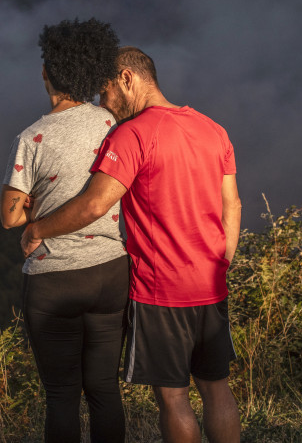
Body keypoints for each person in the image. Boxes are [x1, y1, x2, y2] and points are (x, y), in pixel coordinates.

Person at [22, 46, 242, 443]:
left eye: (105, 91)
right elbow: (233, 205)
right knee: (216, 388)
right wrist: (220, 263)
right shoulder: (213, 128)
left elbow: (93, 205)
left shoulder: (133, 134)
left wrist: (38, 230)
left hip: (161, 292)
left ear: (126, 78)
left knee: (174, 398)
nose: (104, 104)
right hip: (211, 285)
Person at [0, 18, 128, 443]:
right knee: (105, 388)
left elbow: (10, 216)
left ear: (45, 74)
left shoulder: (32, 138)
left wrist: (35, 210)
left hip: (54, 278)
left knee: (61, 395)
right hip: (111, 272)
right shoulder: (113, 124)